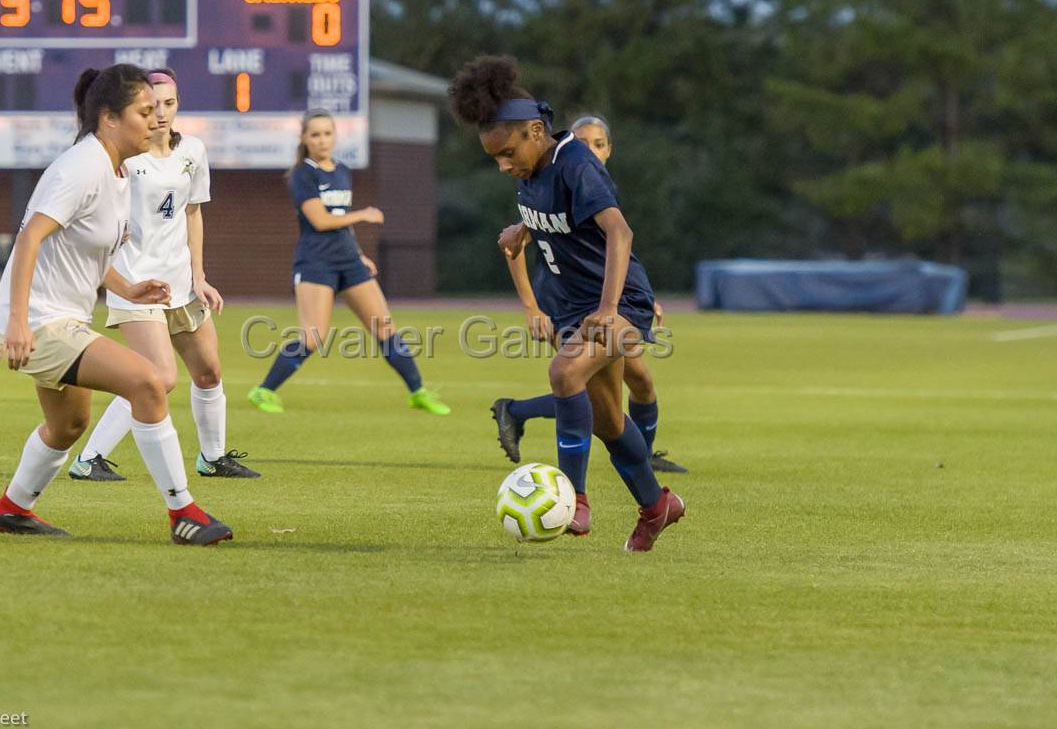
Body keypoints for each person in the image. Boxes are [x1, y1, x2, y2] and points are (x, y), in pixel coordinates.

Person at [0, 64, 233, 546]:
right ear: (109, 119)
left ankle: (12, 507)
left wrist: (128, 286)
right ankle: (183, 512)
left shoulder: (116, 171)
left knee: (68, 425)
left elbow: (87, 249)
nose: (154, 120)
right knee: (147, 381)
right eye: (143, 111)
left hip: (62, 318)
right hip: (40, 322)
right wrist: (18, 323)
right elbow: (30, 238)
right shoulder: (82, 167)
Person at [448, 56, 684, 551]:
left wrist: (607, 307)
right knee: (609, 422)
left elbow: (619, 231)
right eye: (495, 158)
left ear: (536, 131)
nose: (503, 165)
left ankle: (573, 497)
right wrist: (523, 229)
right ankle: (656, 506)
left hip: (621, 303)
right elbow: (561, 220)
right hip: (573, 308)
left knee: (563, 373)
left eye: (508, 152)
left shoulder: (578, 163)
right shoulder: (528, 171)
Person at [67, 68, 260, 482]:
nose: (161, 114)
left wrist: (200, 276)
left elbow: (193, 213)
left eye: (169, 104)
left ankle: (212, 457)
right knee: (159, 378)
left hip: (181, 285)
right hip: (135, 284)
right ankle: (89, 459)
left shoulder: (192, 151)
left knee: (209, 372)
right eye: (152, 106)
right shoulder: (121, 158)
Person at [490, 115, 687, 474]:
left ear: (610, 149)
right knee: (588, 390)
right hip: (565, 306)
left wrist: (639, 296)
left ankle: (641, 459)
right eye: (582, 143)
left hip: (602, 304)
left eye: (598, 144)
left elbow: (613, 249)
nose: (590, 150)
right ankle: (614, 476)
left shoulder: (598, 185)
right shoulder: (555, 180)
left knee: (635, 382)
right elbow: (513, 245)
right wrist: (532, 308)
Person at [247, 109, 451, 416]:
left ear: (335, 135)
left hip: (348, 261)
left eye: (327, 133)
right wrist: (364, 213)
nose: (322, 140)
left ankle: (418, 391)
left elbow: (341, 221)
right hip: (316, 262)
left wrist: (358, 254)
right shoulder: (303, 173)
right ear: (304, 138)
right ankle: (264, 391)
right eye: (315, 134)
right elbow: (320, 220)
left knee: (385, 327)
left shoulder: (342, 169)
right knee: (314, 336)